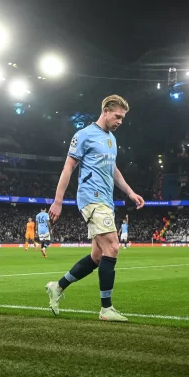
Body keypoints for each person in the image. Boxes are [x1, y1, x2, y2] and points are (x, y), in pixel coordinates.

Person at [45, 95, 144, 322]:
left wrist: (129, 192)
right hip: (92, 198)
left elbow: (113, 170)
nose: (120, 121)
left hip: (106, 201)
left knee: (97, 256)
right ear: (106, 111)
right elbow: (68, 168)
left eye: (123, 118)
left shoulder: (111, 140)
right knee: (113, 247)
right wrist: (58, 201)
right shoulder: (84, 135)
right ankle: (106, 309)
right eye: (117, 116)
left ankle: (57, 287)